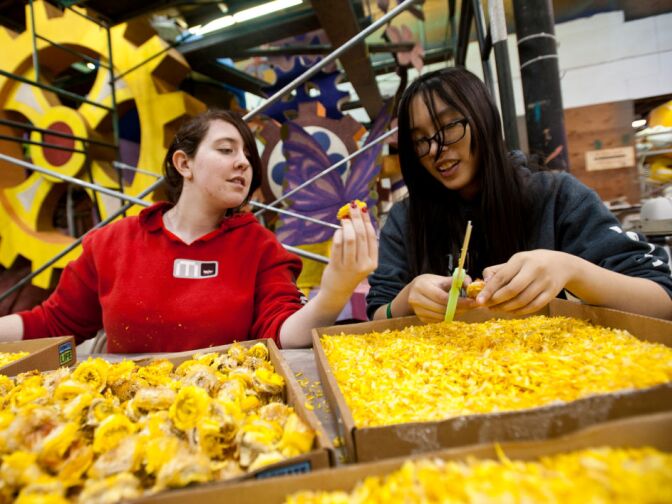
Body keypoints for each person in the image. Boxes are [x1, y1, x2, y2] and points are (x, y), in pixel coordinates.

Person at [0, 109, 377, 352]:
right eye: (227, 150)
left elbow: (282, 332)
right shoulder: (114, 243)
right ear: (184, 163)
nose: (243, 163)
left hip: (226, 416)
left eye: (247, 155)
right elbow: (52, 323)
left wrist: (334, 292)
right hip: (121, 419)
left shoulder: (259, 247)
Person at [367, 67, 672, 322]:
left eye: (448, 126)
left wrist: (572, 270)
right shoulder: (406, 218)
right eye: (420, 140)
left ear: (484, 120)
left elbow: (662, 300)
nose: (434, 149)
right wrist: (406, 299)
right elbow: (377, 315)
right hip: (436, 384)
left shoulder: (557, 197)